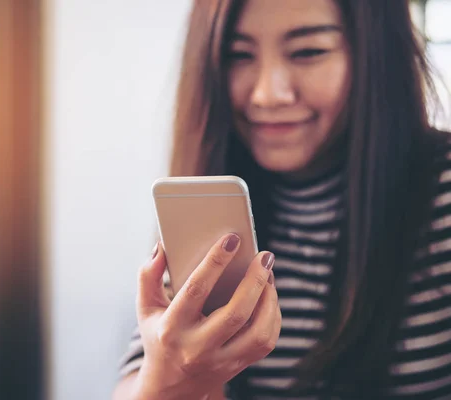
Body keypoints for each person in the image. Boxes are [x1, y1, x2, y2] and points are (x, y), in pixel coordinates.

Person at [113, 0, 451, 398]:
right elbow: (136, 380)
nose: (267, 94)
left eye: (308, 52)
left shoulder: (439, 188)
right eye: (238, 55)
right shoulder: (212, 201)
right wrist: (170, 374)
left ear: (376, 54)